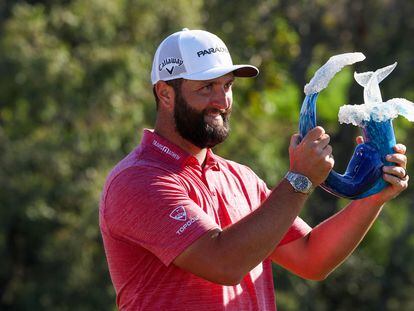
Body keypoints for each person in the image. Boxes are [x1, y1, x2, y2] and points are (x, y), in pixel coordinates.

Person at [99, 28, 409, 310]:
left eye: (228, 85)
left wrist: (373, 195)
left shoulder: (240, 178)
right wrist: (299, 180)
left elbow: (312, 257)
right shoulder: (137, 180)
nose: (222, 101)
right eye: (206, 87)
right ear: (165, 93)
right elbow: (224, 263)